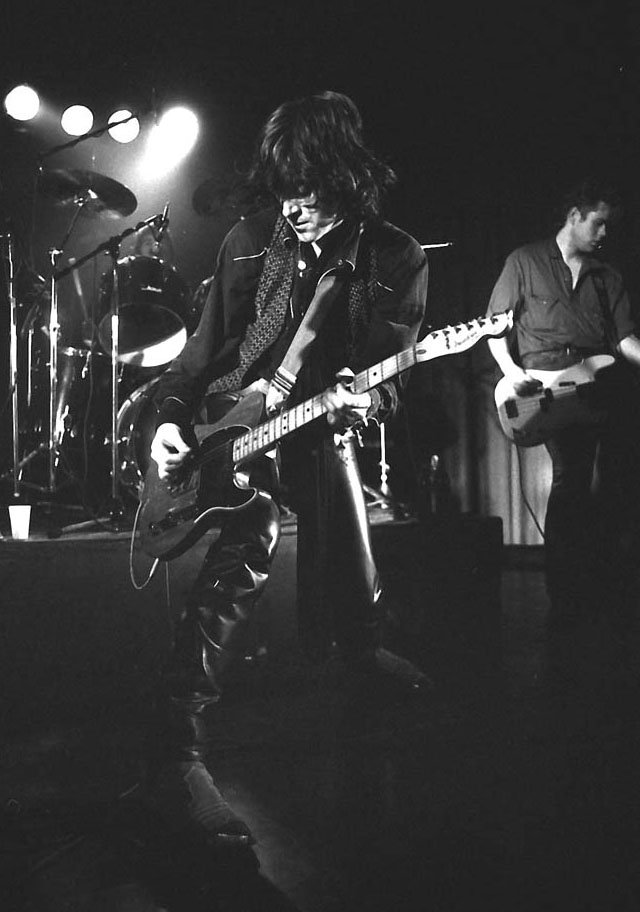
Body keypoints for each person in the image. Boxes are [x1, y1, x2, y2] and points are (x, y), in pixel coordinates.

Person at [143, 90, 430, 853]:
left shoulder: (393, 256)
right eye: (285, 188)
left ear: (346, 177)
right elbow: (202, 351)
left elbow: (391, 370)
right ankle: (175, 753)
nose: (295, 206)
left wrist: (364, 402)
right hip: (231, 426)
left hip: (314, 424)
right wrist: (169, 419)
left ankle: (359, 649)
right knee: (255, 529)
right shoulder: (249, 240)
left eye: (311, 189)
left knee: (338, 478)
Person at [485, 178, 640, 630]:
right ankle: (566, 592)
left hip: (599, 384)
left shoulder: (607, 277)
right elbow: (495, 329)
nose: (605, 233)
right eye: (599, 223)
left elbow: (624, 340)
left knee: (609, 479)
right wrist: (512, 373)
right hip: (546, 390)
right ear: (574, 216)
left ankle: (602, 587)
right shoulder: (524, 262)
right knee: (572, 478)